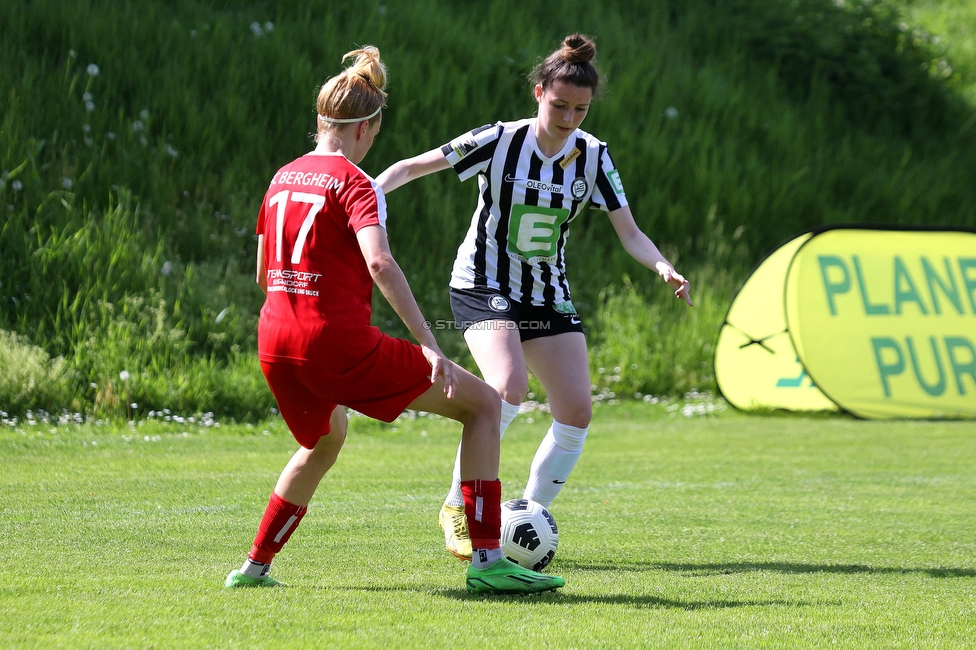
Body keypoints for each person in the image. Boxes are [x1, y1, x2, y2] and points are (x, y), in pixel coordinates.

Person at [223, 46, 564, 595]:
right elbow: (379, 260)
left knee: (324, 442)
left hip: (274, 340)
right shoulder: (358, 185)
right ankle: (487, 561)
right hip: (333, 342)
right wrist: (429, 344)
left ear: (321, 121)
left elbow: (265, 272)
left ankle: (254, 569)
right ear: (368, 128)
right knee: (483, 406)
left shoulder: (282, 177)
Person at [377, 34, 693, 561]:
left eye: (581, 110)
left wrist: (662, 265)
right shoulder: (498, 140)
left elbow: (629, 232)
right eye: (560, 105)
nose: (570, 118)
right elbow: (412, 167)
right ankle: (459, 505)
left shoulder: (593, 157)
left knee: (577, 412)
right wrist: (364, 196)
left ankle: (527, 515)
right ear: (538, 92)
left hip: (546, 295)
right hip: (484, 284)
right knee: (508, 387)